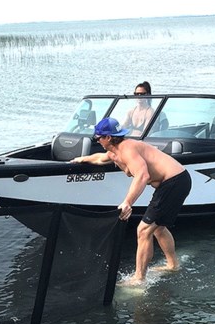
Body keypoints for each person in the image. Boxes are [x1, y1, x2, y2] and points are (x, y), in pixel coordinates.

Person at [71, 116, 191, 284]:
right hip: (175, 181)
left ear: (108, 137)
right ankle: (172, 265)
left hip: (174, 182)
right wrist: (81, 159)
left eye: (98, 138)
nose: (97, 141)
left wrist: (127, 202)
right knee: (158, 228)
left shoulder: (127, 149)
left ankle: (139, 278)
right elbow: (100, 158)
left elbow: (142, 175)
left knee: (143, 230)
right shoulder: (114, 152)